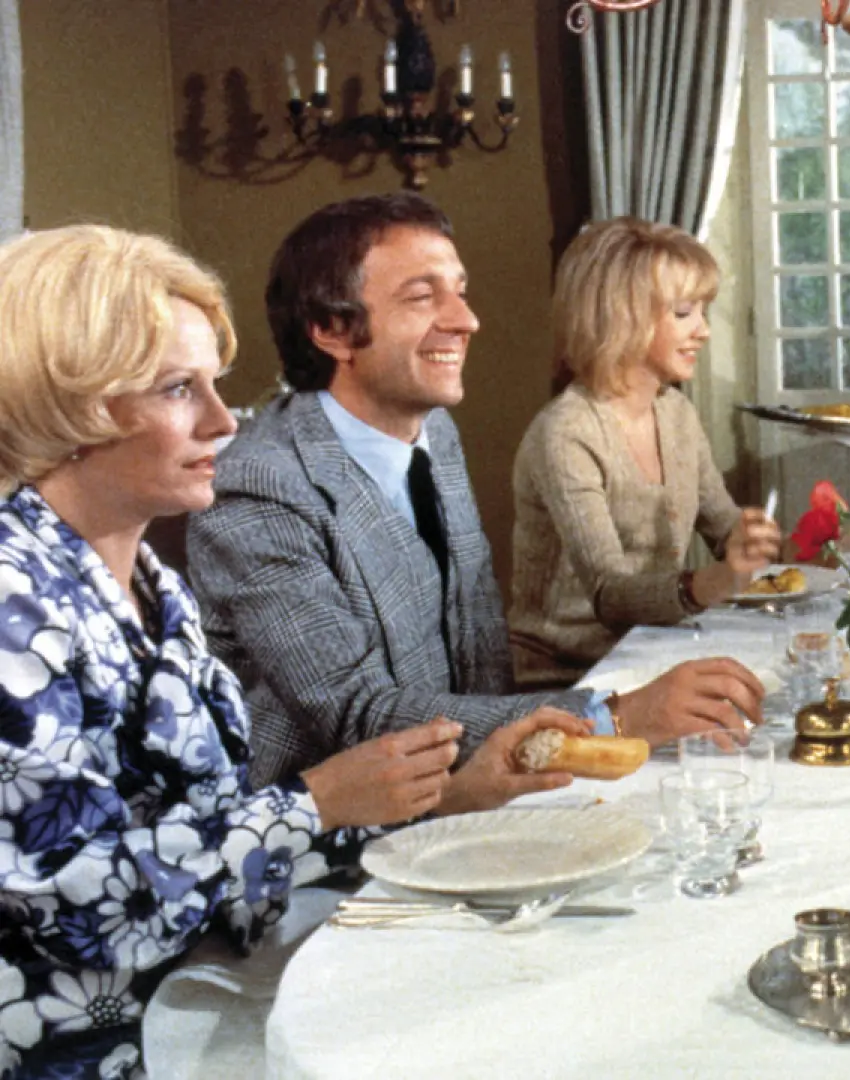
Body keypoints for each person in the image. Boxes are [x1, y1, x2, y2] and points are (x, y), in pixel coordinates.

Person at [0, 225, 587, 1074]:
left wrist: (440, 797)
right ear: (66, 405)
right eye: (178, 390)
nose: (221, 422)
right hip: (103, 1046)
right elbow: (63, 906)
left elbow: (211, 832)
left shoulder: (149, 581)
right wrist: (315, 805)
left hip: (210, 976)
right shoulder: (14, 603)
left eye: (214, 385)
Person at [189, 194, 762, 789]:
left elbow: (481, 651)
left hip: (464, 790)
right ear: (333, 331)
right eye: (422, 296)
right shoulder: (256, 489)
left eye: (459, 292)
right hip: (328, 834)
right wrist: (612, 717)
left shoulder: (434, 430)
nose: (466, 320)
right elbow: (357, 717)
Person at [509, 219, 780, 687]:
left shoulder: (676, 414)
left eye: (703, 312)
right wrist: (719, 580)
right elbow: (610, 595)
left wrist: (827, 540)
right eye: (684, 312)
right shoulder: (566, 433)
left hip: (654, 657)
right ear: (622, 316)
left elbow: (727, 530)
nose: (704, 331)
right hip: (568, 679)